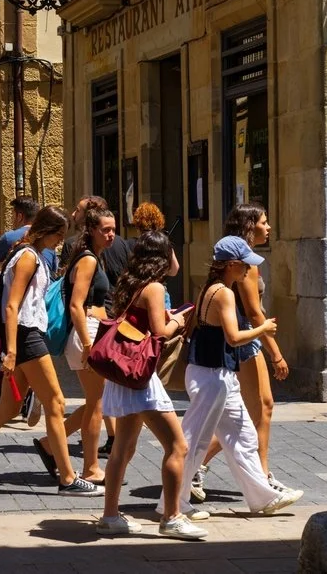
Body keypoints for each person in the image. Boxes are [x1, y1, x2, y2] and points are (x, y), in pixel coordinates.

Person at [0, 206, 101, 498]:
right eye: (58, 235)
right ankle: (67, 478)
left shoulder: (31, 255)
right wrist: (12, 351)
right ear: (46, 231)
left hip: (26, 335)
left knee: (8, 409)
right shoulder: (28, 257)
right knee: (56, 402)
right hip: (26, 337)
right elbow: (12, 306)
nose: (60, 241)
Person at [167, 235, 302, 519]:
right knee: (194, 440)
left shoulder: (208, 288)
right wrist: (262, 328)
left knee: (243, 435)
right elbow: (234, 336)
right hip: (211, 376)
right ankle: (173, 504)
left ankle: (262, 498)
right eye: (244, 266)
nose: (248, 271)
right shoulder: (224, 293)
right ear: (231, 265)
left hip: (217, 375)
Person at [97, 230, 207, 541]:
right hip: (141, 380)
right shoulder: (155, 287)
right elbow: (160, 332)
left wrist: (165, 316)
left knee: (123, 448)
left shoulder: (131, 284)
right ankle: (171, 517)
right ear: (161, 257)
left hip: (125, 376)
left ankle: (110, 516)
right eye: (171, 252)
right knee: (177, 446)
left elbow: (141, 322)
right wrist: (179, 320)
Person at [191, 203, 296, 502]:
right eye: (264, 222)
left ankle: (200, 466)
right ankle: (262, 476)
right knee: (260, 408)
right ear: (250, 226)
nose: (269, 227)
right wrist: (276, 353)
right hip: (246, 342)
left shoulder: (244, 261)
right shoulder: (244, 265)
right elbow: (254, 312)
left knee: (253, 410)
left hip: (243, 341)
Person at [35, 205, 116, 484]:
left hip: (92, 333)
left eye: (113, 229)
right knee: (96, 404)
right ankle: (91, 467)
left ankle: (49, 444)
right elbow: (76, 305)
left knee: (98, 402)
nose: (111, 234)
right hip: (87, 335)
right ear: (92, 230)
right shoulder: (89, 260)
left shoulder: (94, 258)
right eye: (105, 230)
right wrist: (87, 341)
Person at [0, 196, 57, 286]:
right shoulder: (48, 239)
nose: (12, 219)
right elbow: (53, 271)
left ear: (19, 216)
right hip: (47, 290)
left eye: (12, 215)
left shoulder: (8, 237)